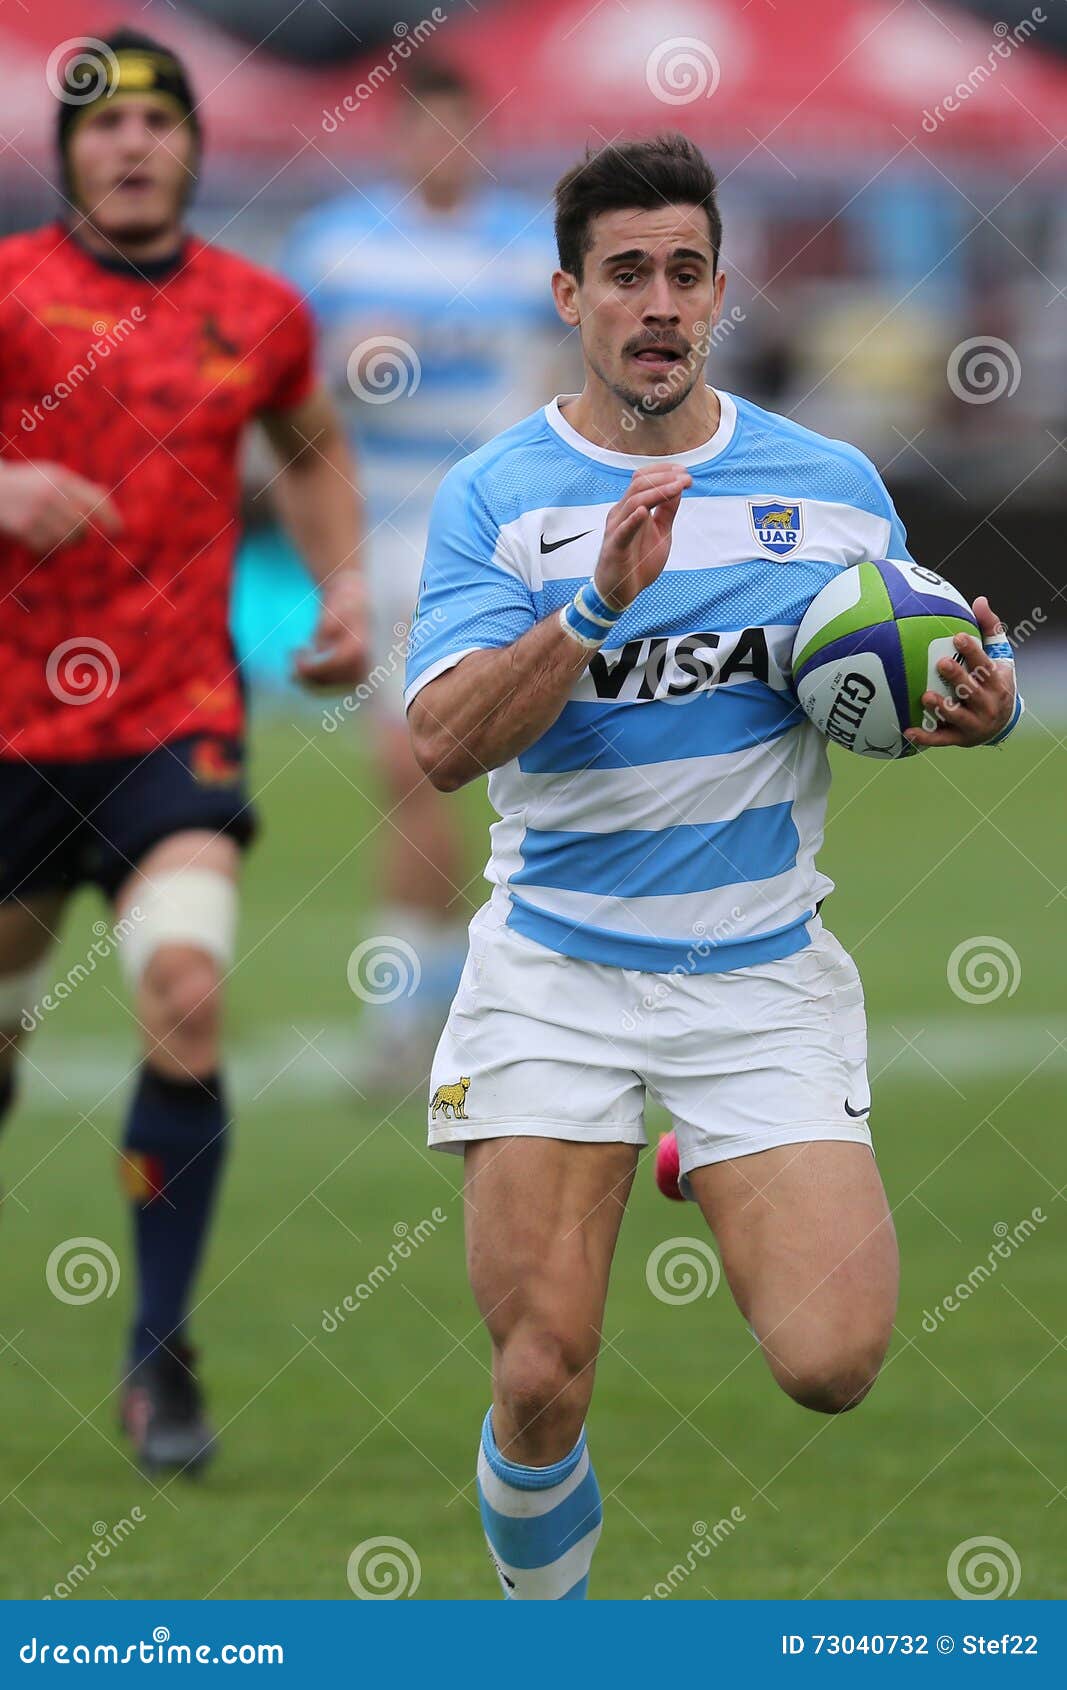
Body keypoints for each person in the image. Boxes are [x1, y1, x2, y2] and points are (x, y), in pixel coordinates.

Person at [405, 133, 1021, 1599]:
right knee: (542, 1371)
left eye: (684, 272)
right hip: (555, 969)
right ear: (569, 295)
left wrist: (971, 707)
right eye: (626, 275)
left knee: (831, 1363)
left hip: (754, 973)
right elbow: (438, 743)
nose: (658, 303)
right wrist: (592, 613)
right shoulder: (499, 498)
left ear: (721, 291)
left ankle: (690, 1145)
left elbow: (915, 663)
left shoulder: (825, 485)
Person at [0, 29, 367, 1472]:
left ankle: (160, 1357)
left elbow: (314, 445)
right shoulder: (12, 292)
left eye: (157, 123)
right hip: (15, 732)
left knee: (184, 992)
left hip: (176, 723)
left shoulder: (258, 309)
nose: (131, 145)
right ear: (67, 152)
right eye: (103, 126)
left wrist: (339, 590)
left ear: (194, 147)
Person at [285, 58, 562, 1085]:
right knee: (410, 767)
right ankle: (415, 1009)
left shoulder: (530, 248)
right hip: (384, 536)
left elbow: (571, 380)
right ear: (399, 138)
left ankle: (470, 1002)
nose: (444, 151)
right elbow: (284, 391)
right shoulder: (338, 244)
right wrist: (343, 366)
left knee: (516, 784)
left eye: (461, 132)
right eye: (426, 132)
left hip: (499, 540)